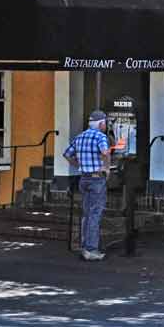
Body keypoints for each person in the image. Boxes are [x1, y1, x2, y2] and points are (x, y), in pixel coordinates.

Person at [64, 110, 111, 261]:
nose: (106, 125)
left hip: (83, 178)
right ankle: (91, 249)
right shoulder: (100, 136)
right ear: (101, 123)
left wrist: (79, 166)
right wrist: (106, 168)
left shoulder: (80, 136)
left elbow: (66, 154)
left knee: (86, 214)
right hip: (97, 179)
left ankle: (84, 246)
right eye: (105, 122)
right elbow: (105, 152)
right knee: (95, 214)